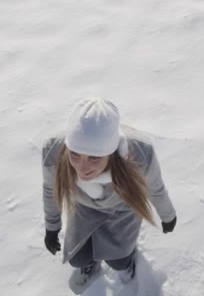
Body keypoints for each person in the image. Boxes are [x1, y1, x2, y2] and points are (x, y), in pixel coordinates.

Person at [41, 97, 177, 294]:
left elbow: (155, 188)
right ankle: (90, 266)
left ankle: (127, 261)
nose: (82, 168)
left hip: (123, 209)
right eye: (75, 154)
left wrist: (167, 215)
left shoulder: (140, 153)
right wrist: (51, 227)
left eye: (94, 158)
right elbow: (50, 189)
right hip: (83, 209)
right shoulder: (54, 150)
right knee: (77, 258)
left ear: (111, 152)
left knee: (118, 261)